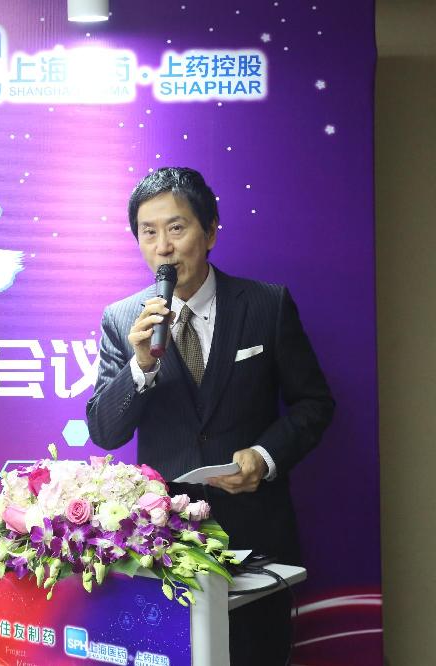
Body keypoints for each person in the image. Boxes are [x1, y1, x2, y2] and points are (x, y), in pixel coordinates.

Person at [86, 167, 335, 666]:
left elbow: (315, 403)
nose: (163, 247)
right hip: (164, 545)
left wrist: (265, 456)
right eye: (149, 233)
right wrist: (141, 365)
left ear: (211, 231)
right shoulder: (122, 320)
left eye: (176, 228)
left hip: (257, 537)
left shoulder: (266, 304)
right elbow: (106, 431)